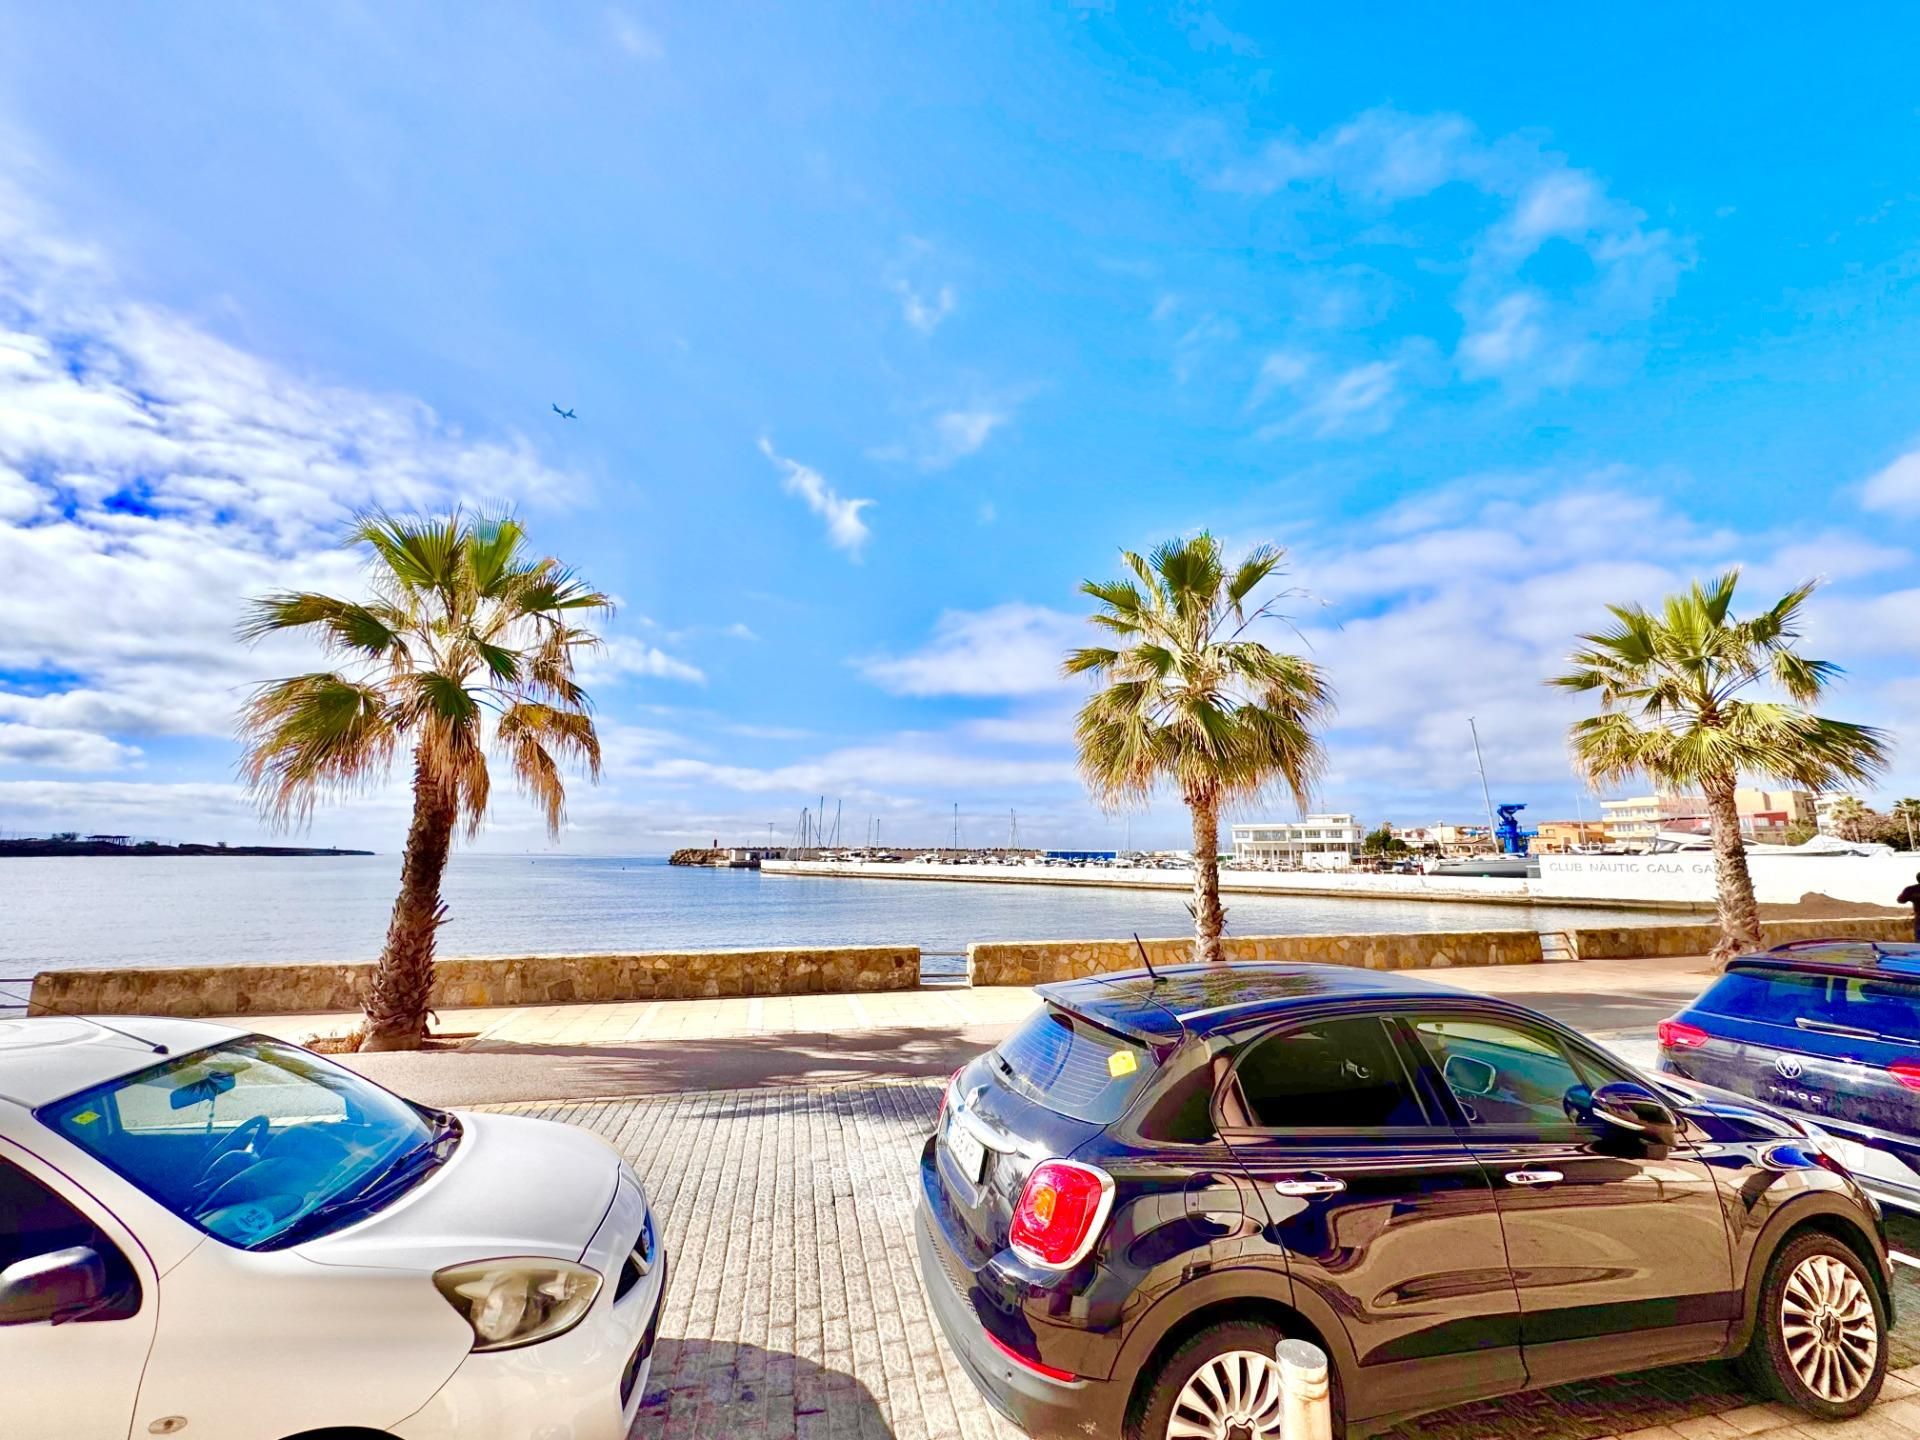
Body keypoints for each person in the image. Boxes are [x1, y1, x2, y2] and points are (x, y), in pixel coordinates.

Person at [1900, 871, 1920, 943]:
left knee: (1919, 941)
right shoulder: (1911, 889)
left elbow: (1901, 900)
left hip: (1919, 916)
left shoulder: (1911, 889)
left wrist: (1912, 897)